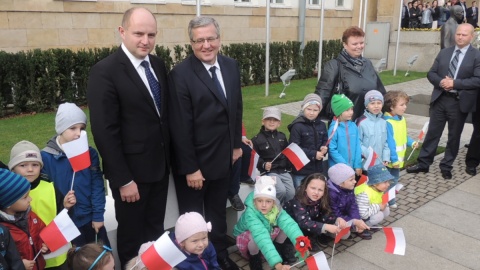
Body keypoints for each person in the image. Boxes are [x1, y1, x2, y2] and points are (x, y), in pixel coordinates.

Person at [86, 7, 170, 267]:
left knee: (156, 232)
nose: (146, 41)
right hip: (131, 177)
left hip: (160, 168)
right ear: (122, 32)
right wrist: (123, 180)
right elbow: (104, 131)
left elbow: (162, 117)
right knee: (132, 237)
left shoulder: (157, 64)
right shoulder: (105, 72)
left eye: (151, 34)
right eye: (139, 33)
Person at [168, 16, 243, 270]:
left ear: (219, 39)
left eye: (210, 38)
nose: (206, 45)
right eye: (199, 40)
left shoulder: (231, 66)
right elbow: (179, 125)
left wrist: (235, 146)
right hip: (194, 166)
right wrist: (191, 168)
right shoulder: (180, 74)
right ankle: (192, 263)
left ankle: (219, 255)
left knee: (217, 214)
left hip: (223, 158)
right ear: (191, 43)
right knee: (192, 220)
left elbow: (236, 109)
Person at [407, 23, 480, 179]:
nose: (460, 37)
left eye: (464, 35)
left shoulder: (477, 55)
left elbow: (477, 80)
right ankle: (423, 163)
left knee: (454, 136)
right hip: (440, 99)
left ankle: (446, 165)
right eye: (458, 34)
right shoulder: (444, 53)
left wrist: (454, 83)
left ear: (471, 37)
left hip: (459, 102)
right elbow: (431, 73)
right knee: (433, 133)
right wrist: (441, 82)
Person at [41, 103, 110, 248]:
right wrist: (63, 206)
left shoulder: (89, 153)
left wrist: (98, 215)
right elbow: (45, 194)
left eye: (82, 128)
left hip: (91, 219)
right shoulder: (46, 158)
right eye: (73, 128)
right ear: (61, 129)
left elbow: (97, 185)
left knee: (102, 259)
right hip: (67, 224)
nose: (78, 133)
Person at [9, 140, 76, 269]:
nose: (30, 169)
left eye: (35, 164)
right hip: (31, 259)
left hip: (58, 255)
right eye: (23, 165)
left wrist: (66, 206)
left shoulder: (50, 187)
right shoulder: (10, 194)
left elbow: (63, 218)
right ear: (13, 168)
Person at [315, 26, 386, 121]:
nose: (359, 46)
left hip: (368, 121)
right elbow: (323, 92)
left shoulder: (367, 63)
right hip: (344, 123)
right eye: (354, 44)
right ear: (345, 45)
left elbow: (380, 90)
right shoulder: (334, 65)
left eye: (361, 43)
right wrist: (310, 113)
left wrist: (392, 108)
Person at [234, 176, 304, 270]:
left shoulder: (276, 208)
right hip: (246, 236)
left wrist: (302, 244)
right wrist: (277, 264)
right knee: (256, 240)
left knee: (285, 226)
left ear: (273, 202)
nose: (264, 205)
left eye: (268, 201)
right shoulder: (250, 214)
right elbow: (261, 236)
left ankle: (277, 248)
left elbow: (289, 224)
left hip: (265, 231)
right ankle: (255, 260)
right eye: (260, 201)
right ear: (254, 201)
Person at [0, 169, 48, 270]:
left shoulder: (31, 215)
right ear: (8, 203)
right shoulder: (3, 231)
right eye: (25, 197)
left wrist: (44, 246)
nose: (30, 199)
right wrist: (19, 265)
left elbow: (42, 234)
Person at [284, 173, 346, 251]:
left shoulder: (321, 200)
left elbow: (326, 214)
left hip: (307, 224)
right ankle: (286, 247)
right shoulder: (297, 200)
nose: (316, 192)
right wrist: (326, 226)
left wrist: (337, 219)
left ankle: (310, 239)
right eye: (313, 188)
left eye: (320, 190)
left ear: (324, 192)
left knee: (317, 220)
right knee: (305, 226)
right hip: (289, 227)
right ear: (305, 188)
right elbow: (304, 222)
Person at [251, 107, 295, 204]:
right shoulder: (257, 139)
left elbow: (287, 152)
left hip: (283, 171)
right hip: (269, 172)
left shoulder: (282, 136)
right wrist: (263, 164)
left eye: (275, 120)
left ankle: (285, 210)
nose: (272, 122)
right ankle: (274, 210)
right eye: (268, 119)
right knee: (281, 191)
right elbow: (255, 158)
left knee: (291, 193)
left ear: (279, 123)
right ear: (263, 121)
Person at [383, 91, 417, 208]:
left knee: (394, 179)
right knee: (388, 181)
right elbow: (390, 143)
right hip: (392, 160)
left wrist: (411, 142)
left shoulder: (401, 119)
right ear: (392, 107)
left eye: (405, 104)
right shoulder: (388, 122)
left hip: (398, 159)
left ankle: (389, 198)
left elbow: (403, 135)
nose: (405, 107)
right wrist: (394, 159)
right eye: (402, 105)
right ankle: (386, 200)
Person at [288, 94, 328, 188]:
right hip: (301, 170)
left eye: (315, 110)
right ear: (303, 108)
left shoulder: (322, 125)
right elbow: (294, 148)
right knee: (300, 195)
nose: (311, 113)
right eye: (309, 109)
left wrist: (324, 148)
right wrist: (314, 154)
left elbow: (325, 140)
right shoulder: (297, 126)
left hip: (317, 169)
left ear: (319, 110)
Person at [327, 164, 371, 240]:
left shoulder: (349, 187)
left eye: (354, 178)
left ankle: (354, 228)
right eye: (351, 180)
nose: (355, 181)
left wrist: (357, 221)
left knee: (360, 221)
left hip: (345, 217)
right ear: (340, 182)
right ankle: (326, 234)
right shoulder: (331, 194)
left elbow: (353, 206)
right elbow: (335, 215)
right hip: (334, 219)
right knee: (345, 234)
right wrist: (353, 222)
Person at [327, 94, 363, 176]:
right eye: (347, 110)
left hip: (352, 168)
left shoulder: (353, 126)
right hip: (338, 169)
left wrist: (357, 165)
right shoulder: (334, 128)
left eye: (351, 109)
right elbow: (332, 149)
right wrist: (345, 165)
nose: (351, 112)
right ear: (339, 112)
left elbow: (357, 145)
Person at [356, 90, 391, 169]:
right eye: (372, 103)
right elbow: (357, 142)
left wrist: (386, 157)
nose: (376, 106)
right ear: (366, 105)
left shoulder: (383, 122)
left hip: (380, 162)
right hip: (366, 162)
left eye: (379, 103)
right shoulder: (361, 122)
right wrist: (369, 154)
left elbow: (385, 141)